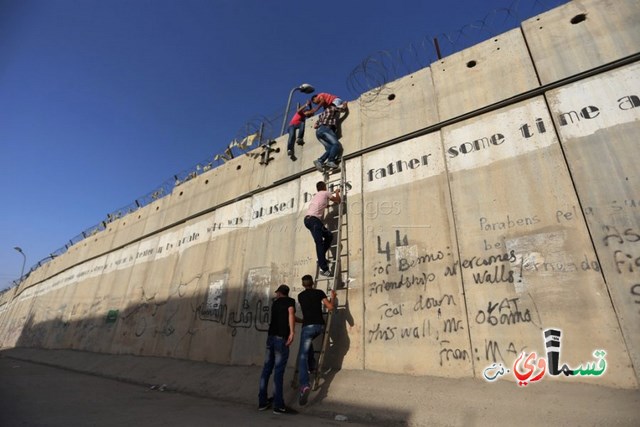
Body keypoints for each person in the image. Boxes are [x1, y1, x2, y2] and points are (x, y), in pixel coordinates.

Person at [296, 274, 336, 406]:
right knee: (308, 346)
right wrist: (333, 297)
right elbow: (330, 307)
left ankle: (304, 386)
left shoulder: (300, 296)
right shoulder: (319, 292)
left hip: (307, 327)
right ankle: (312, 365)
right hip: (319, 326)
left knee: (302, 356)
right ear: (313, 283)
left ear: (303, 285)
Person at [258, 284, 296, 414]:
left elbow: (287, 315)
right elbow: (290, 314)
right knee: (278, 372)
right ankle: (278, 405)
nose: (276, 295)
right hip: (281, 339)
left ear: (280, 293)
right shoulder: (290, 301)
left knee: (267, 369)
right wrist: (292, 332)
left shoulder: (275, 303)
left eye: (277, 293)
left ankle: (262, 402)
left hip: (271, 338)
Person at [304, 181, 341, 277]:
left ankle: (321, 259)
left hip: (309, 220)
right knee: (319, 242)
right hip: (314, 221)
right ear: (324, 187)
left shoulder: (316, 196)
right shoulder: (326, 193)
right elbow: (338, 200)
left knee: (329, 235)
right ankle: (324, 268)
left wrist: (327, 205)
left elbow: (321, 205)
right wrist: (337, 192)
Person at [313, 102, 348, 171]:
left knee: (330, 148)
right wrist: (344, 105)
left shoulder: (321, 115)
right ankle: (330, 161)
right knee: (336, 145)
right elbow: (343, 110)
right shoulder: (331, 107)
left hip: (319, 132)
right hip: (326, 129)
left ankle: (320, 161)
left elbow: (315, 126)